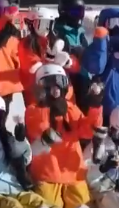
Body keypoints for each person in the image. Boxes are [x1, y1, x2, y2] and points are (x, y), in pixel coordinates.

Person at [25, 64, 102, 208]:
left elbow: (87, 131)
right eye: (50, 84)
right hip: (47, 174)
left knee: (84, 204)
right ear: (41, 88)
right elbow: (38, 130)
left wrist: (95, 106)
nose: (56, 90)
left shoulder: (70, 107)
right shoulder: (33, 109)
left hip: (73, 173)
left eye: (59, 84)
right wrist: (49, 109)